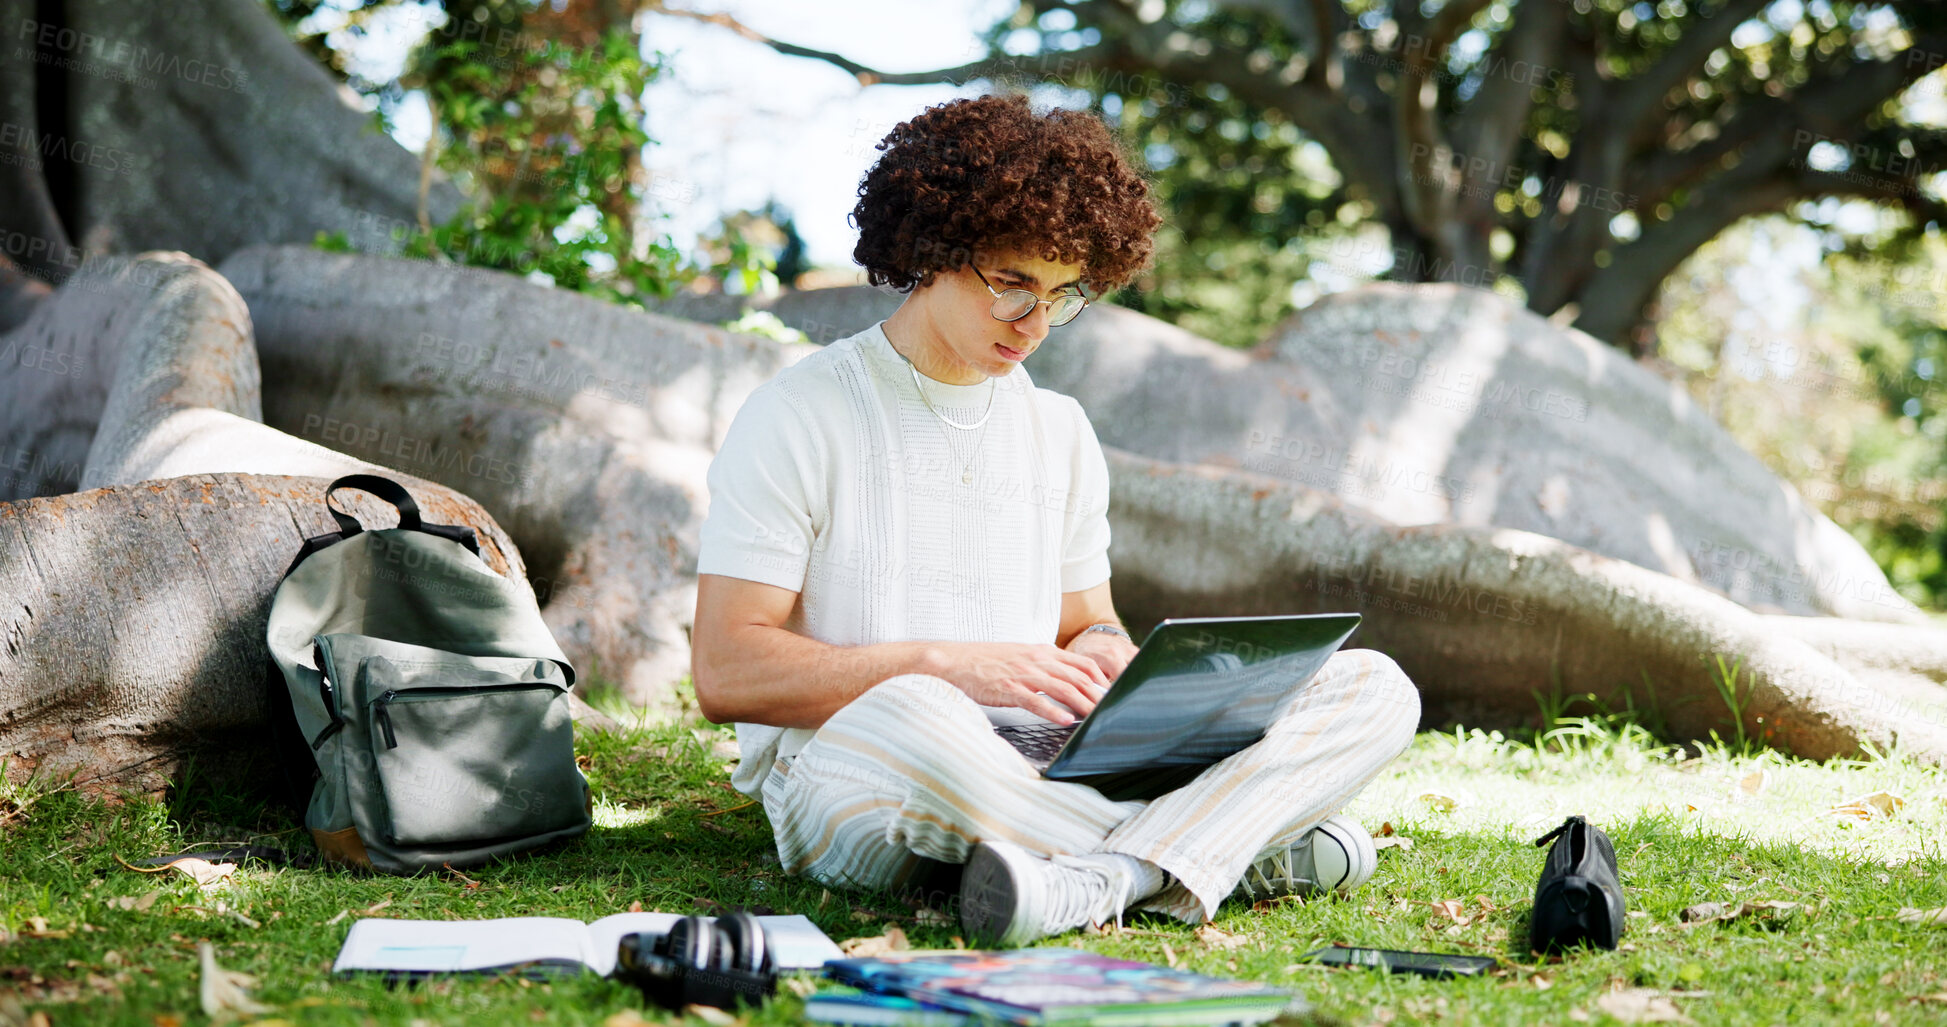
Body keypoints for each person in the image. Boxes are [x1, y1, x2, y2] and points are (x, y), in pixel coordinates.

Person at [691, 92, 1421, 945]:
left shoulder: (1060, 430)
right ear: (930, 249)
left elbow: (1089, 621)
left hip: (1049, 763)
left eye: (1064, 294)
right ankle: (1224, 847)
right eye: (1012, 286)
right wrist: (950, 668)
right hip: (865, 765)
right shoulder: (799, 412)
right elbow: (727, 670)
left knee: (1373, 687)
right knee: (918, 707)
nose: (1036, 324)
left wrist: (1112, 659)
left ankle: (1093, 879)